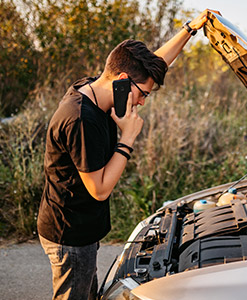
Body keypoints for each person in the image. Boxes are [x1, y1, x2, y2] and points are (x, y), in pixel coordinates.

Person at [37, 10, 212, 300]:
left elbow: (155, 65)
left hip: (81, 226)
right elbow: (100, 189)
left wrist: (190, 29)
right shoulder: (82, 119)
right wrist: (128, 138)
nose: (143, 101)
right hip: (70, 233)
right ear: (121, 80)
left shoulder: (96, 89)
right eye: (143, 93)